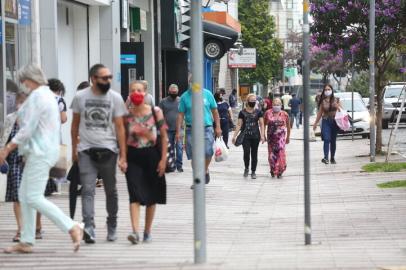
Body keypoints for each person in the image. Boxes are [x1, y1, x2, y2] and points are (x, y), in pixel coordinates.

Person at [0, 64, 83, 254]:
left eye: (23, 81)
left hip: (40, 152)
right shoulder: (45, 95)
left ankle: (71, 226)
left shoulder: (39, 97)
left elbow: (27, 128)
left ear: (30, 80)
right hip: (39, 151)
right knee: (24, 194)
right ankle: (27, 240)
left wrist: (7, 148)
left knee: (33, 197)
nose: (22, 85)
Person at [71, 64, 127, 243]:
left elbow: (120, 128)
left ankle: (112, 224)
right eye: (104, 78)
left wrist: (123, 155)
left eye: (109, 77)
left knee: (111, 191)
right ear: (93, 79)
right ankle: (89, 227)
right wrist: (74, 148)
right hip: (86, 150)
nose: (108, 81)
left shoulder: (115, 98)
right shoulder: (80, 97)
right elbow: (74, 125)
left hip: (109, 150)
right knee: (87, 189)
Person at [124, 80, 168, 244]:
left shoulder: (156, 112)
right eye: (133, 90)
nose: (136, 93)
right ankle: (135, 231)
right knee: (134, 194)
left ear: (146, 93)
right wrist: (122, 157)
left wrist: (163, 159)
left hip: (152, 156)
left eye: (139, 90)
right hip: (133, 156)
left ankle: (147, 231)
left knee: (151, 196)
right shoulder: (126, 115)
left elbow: (163, 136)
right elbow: (121, 138)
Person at [176, 78, 222, 185]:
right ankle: (197, 178)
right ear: (189, 83)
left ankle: (204, 170)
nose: (195, 84)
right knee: (194, 156)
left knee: (208, 152)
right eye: (192, 82)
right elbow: (180, 115)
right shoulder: (185, 97)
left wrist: (218, 127)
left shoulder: (207, 94)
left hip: (206, 127)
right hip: (191, 129)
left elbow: (215, 111)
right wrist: (178, 131)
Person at [0, 92, 27, 242]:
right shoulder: (10, 118)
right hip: (14, 161)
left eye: (24, 102)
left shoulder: (31, 120)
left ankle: (34, 226)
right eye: (19, 102)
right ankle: (20, 229)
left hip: (29, 160)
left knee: (30, 197)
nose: (21, 105)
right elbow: (4, 138)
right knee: (17, 196)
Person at [232, 94, 265, 179]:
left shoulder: (258, 112)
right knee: (246, 152)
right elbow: (239, 124)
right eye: (251, 101)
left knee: (254, 154)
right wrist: (234, 136)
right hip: (245, 136)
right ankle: (246, 168)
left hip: (255, 136)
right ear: (247, 101)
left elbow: (261, 124)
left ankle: (253, 171)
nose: (253, 102)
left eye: (254, 101)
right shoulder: (242, 112)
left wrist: (262, 135)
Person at [313, 84, 341, 164]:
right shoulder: (322, 101)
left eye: (329, 89)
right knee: (326, 139)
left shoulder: (337, 100)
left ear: (332, 90)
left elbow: (341, 111)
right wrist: (315, 123)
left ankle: (332, 157)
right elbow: (320, 113)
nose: (327, 91)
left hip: (335, 122)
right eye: (326, 89)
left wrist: (337, 107)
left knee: (333, 140)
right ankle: (326, 158)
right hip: (326, 121)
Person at [159, 84, 183, 172]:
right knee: (170, 148)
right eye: (172, 92)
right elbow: (160, 114)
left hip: (179, 128)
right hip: (167, 129)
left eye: (175, 92)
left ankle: (179, 165)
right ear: (169, 92)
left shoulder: (181, 101)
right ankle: (172, 165)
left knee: (179, 147)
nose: (174, 93)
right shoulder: (163, 102)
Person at [264, 98, 291, 178]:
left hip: (281, 139)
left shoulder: (285, 114)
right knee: (271, 155)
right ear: (272, 105)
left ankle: (280, 170)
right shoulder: (268, 113)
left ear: (281, 105)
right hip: (271, 138)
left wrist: (288, 137)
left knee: (280, 154)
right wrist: (263, 134)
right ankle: (273, 169)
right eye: (275, 104)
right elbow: (264, 124)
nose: (276, 106)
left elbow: (289, 127)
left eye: (278, 104)